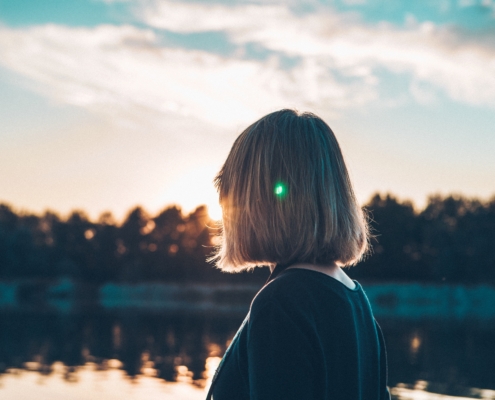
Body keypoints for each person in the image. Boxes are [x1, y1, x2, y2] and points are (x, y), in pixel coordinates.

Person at [206, 109, 390, 400]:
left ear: (260, 201)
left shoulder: (281, 304)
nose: (223, 203)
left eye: (232, 192)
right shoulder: (356, 301)